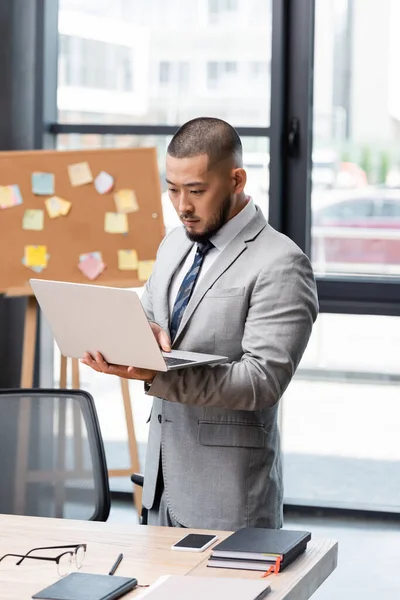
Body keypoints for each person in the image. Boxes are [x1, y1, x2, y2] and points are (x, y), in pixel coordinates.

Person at [82, 117, 318, 530]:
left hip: (228, 501)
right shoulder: (174, 242)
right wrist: (133, 339)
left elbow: (261, 382)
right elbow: (155, 319)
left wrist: (158, 375)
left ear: (236, 180)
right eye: (172, 189)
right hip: (161, 489)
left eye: (196, 190)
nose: (182, 206)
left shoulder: (281, 263)